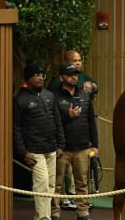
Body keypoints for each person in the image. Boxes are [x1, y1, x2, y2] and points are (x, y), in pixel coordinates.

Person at [13, 61, 65, 220]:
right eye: (36, 75)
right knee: (41, 187)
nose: (40, 78)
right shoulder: (19, 99)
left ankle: (43, 217)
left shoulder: (49, 96)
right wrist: (22, 152)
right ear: (28, 78)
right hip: (34, 152)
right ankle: (43, 218)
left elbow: (58, 121)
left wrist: (60, 144)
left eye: (42, 75)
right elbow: (16, 128)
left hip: (52, 149)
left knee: (50, 187)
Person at [48, 50, 99, 211]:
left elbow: (92, 121)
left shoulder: (84, 96)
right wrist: (69, 116)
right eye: (70, 74)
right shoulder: (53, 97)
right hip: (61, 149)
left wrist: (95, 145)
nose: (74, 77)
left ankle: (83, 213)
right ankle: (55, 214)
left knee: (82, 184)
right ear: (62, 77)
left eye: (76, 74)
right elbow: (52, 124)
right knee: (56, 184)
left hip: (83, 147)